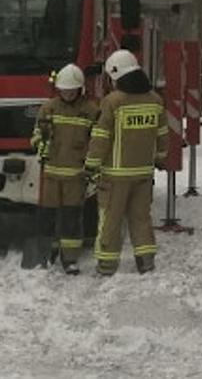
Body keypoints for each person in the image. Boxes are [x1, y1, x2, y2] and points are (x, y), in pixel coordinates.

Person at [85, 49, 168, 276]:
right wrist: (160, 158)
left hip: (115, 175)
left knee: (110, 220)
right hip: (144, 173)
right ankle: (146, 261)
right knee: (141, 218)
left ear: (115, 75)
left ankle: (106, 265)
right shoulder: (155, 100)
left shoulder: (112, 102)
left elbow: (101, 137)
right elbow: (162, 134)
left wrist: (91, 164)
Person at [34, 64, 100, 274]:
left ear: (80, 89)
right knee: (47, 216)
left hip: (76, 175)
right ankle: (45, 253)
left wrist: (93, 165)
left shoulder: (91, 111)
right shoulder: (48, 108)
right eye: (64, 91)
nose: (68, 94)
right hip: (51, 173)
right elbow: (36, 134)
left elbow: (98, 140)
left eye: (72, 91)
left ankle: (70, 258)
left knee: (71, 218)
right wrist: (40, 142)